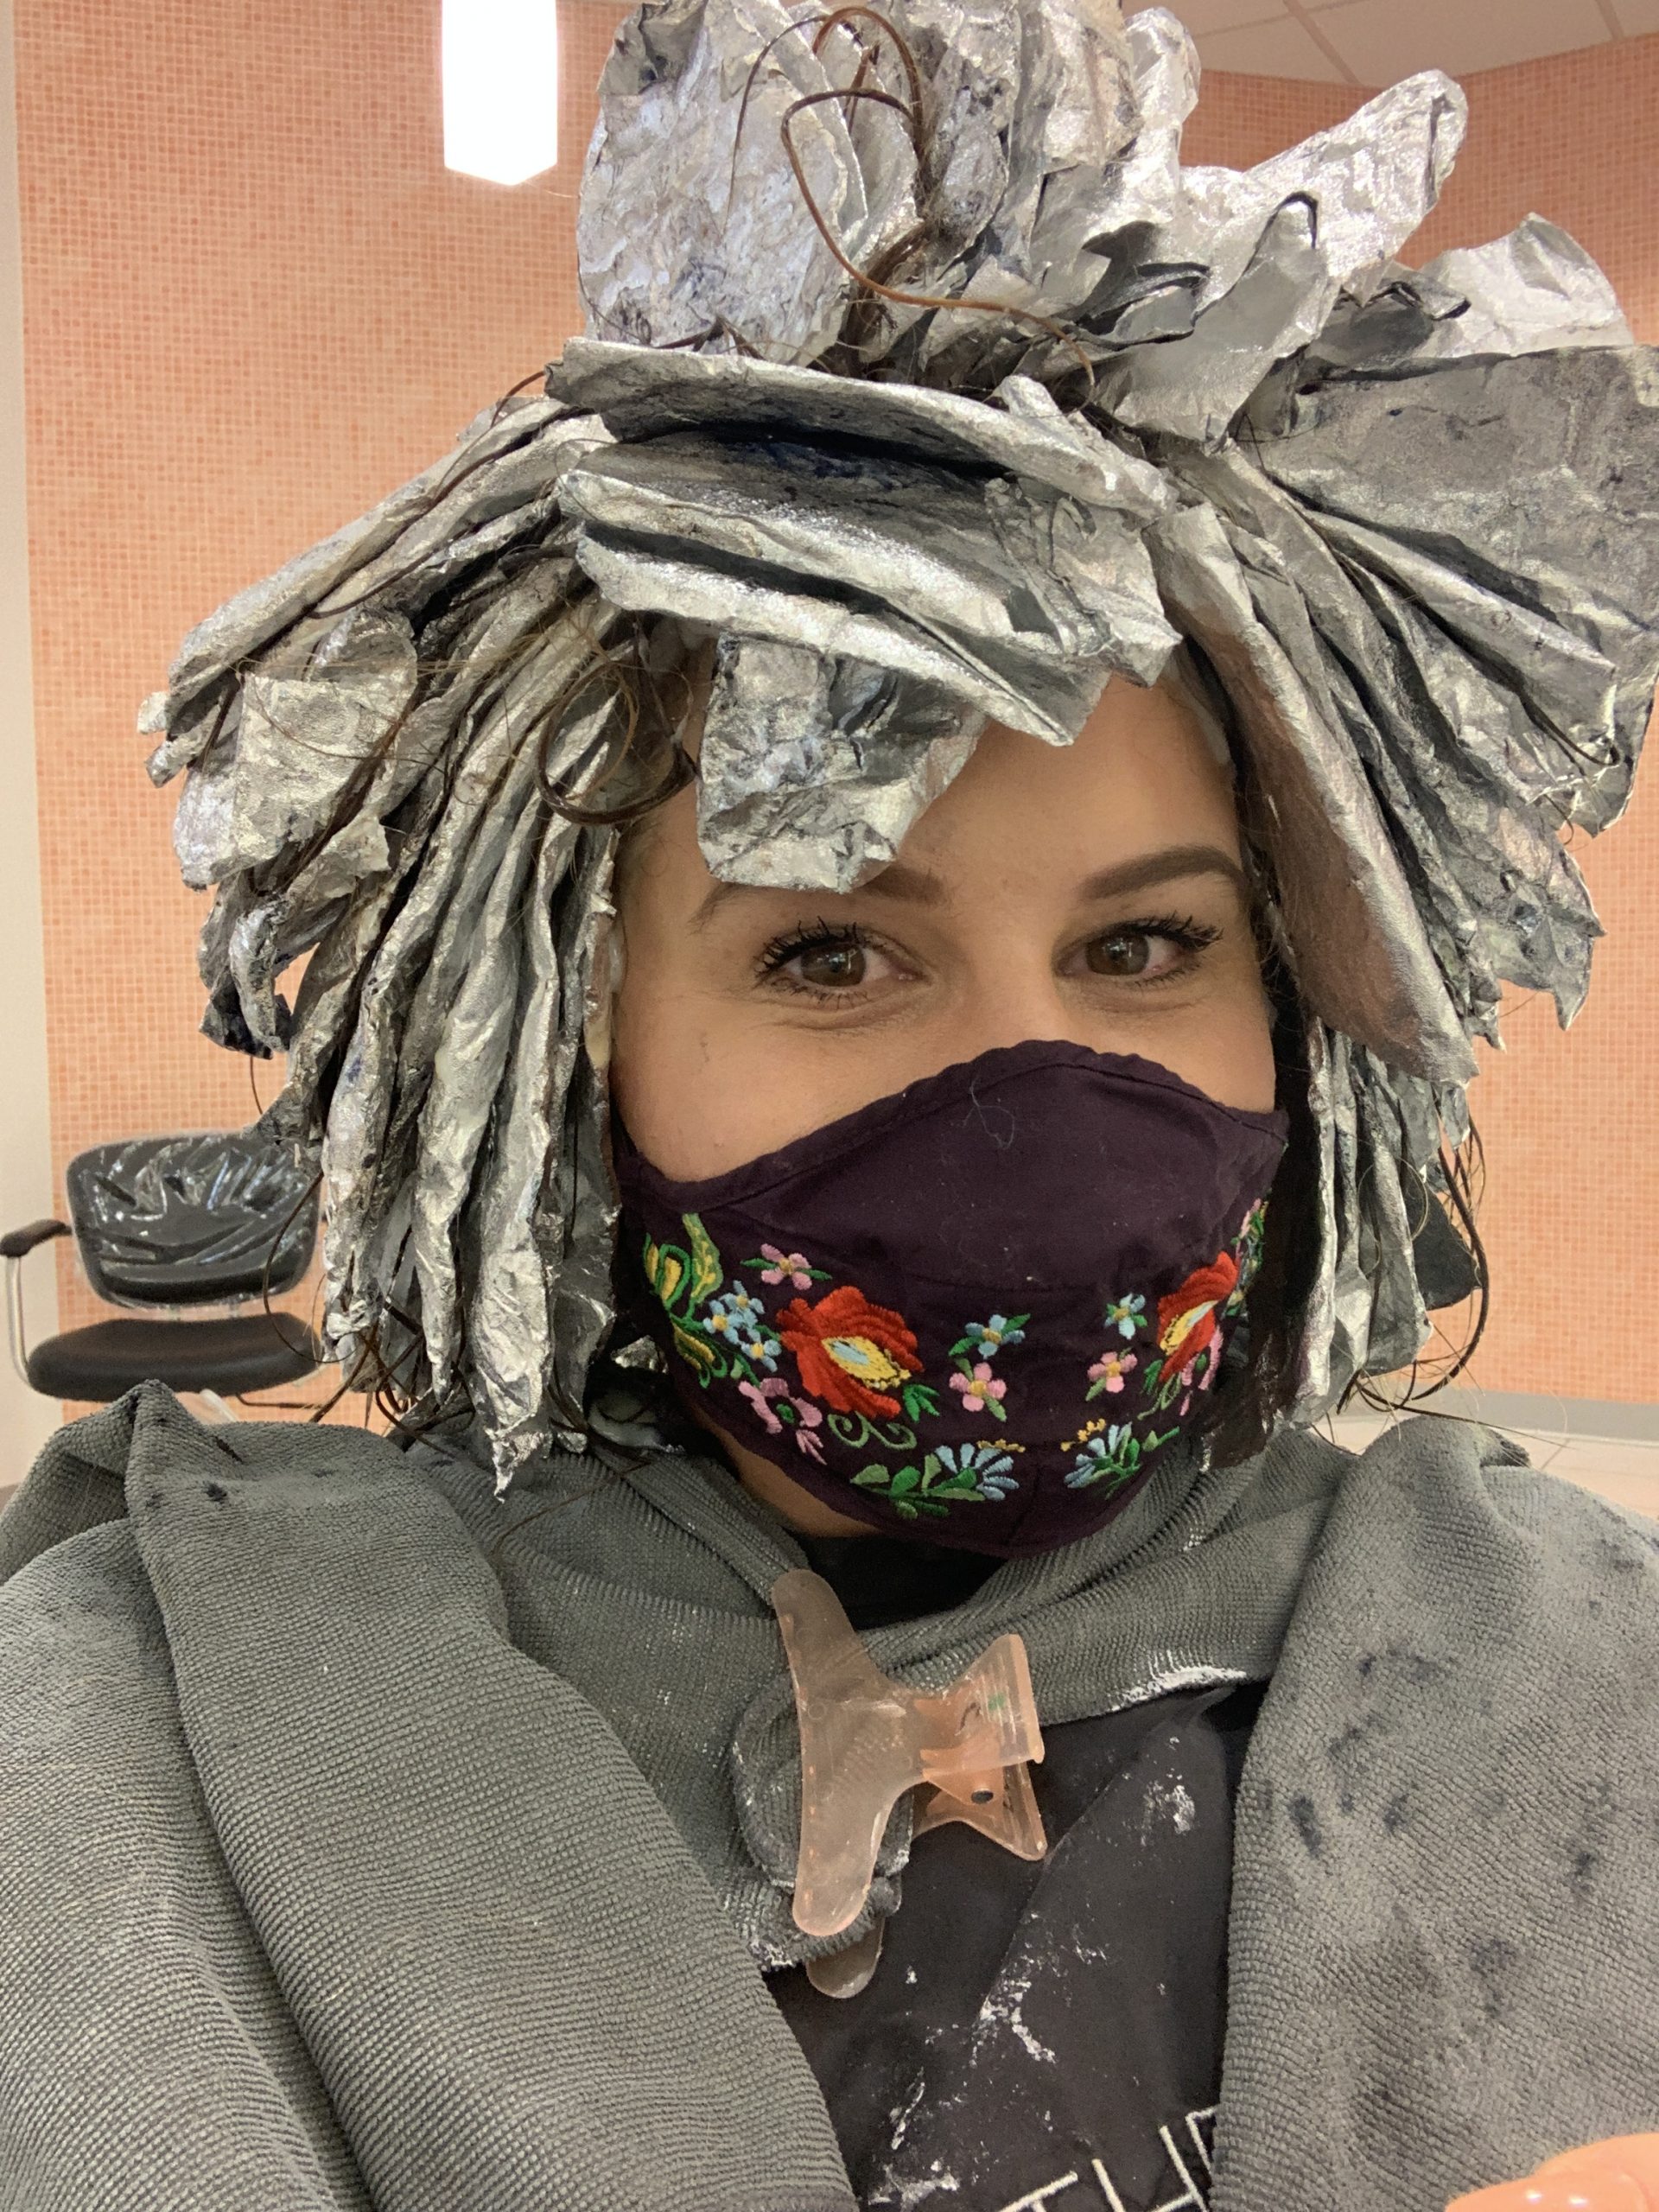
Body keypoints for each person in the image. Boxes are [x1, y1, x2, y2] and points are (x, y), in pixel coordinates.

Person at [2, 3, 1656, 2209]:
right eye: (830, 951)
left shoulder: (1566, 1655)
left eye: (1147, 945)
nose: (1035, 1101)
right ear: (558, 1046)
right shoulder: (155, 1747)